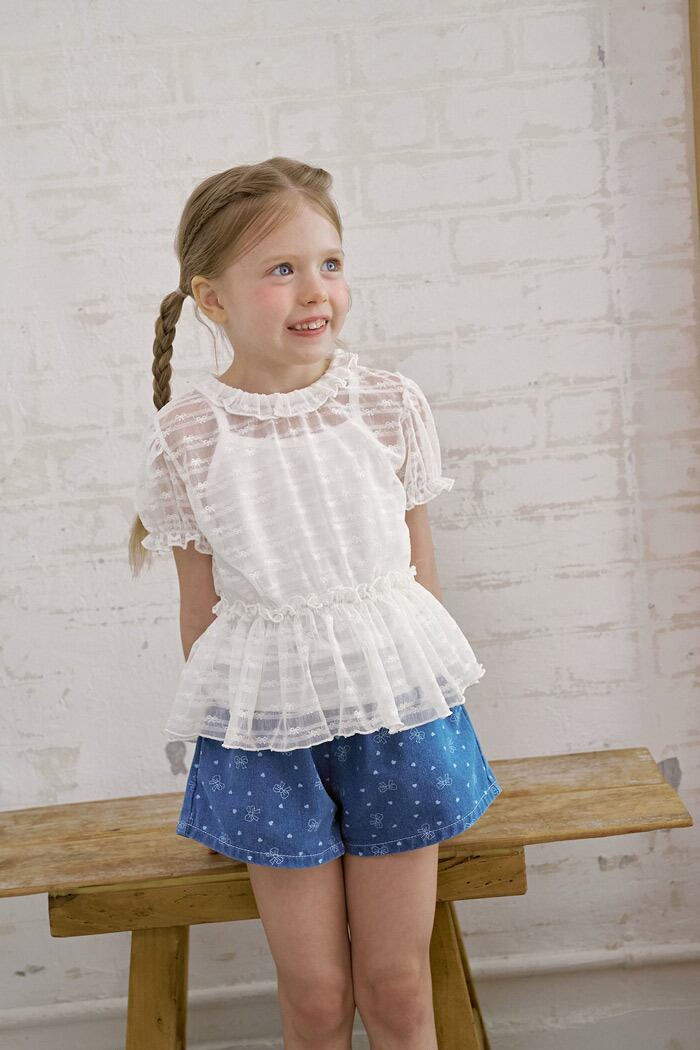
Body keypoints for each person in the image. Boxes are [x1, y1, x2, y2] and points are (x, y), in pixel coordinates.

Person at [129, 156, 502, 1050]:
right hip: (268, 741)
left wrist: (430, 707)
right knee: (316, 996)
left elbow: (419, 577)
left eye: (329, 263)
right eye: (281, 269)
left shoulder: (386, 404)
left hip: (397, 720)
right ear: (212, 299)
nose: (314, 291)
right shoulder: (189, 436)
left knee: (397, 988)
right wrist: (229, 750)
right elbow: (199, 617)